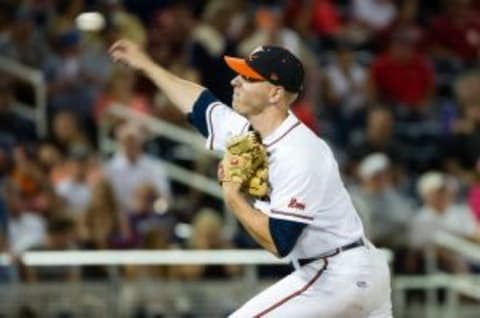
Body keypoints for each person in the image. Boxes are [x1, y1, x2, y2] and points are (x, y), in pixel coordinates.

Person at [110, 39, 392, 317]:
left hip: (339, 272)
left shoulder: (300, 152)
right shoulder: (248, 133)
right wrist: (146, 65)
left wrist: (232, 195)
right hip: (351, 269)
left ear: (275, 94)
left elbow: (279, 242)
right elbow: (199, 104)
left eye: (249, 78)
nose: (235, 81)